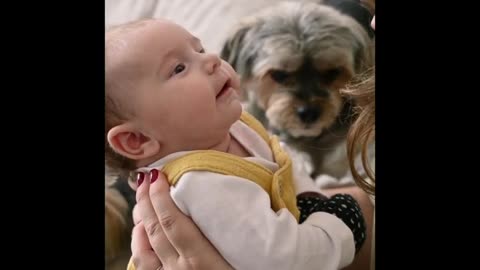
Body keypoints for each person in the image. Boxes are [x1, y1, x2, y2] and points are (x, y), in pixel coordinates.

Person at [105, 18, 369, 270]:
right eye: (178, 68)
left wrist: (311, 198)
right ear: (136, 140)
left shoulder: (228, 125)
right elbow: (286, 261)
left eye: (200, 49)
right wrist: (336, 223)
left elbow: (281, 157)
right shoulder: (201, 185)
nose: (211, 60)